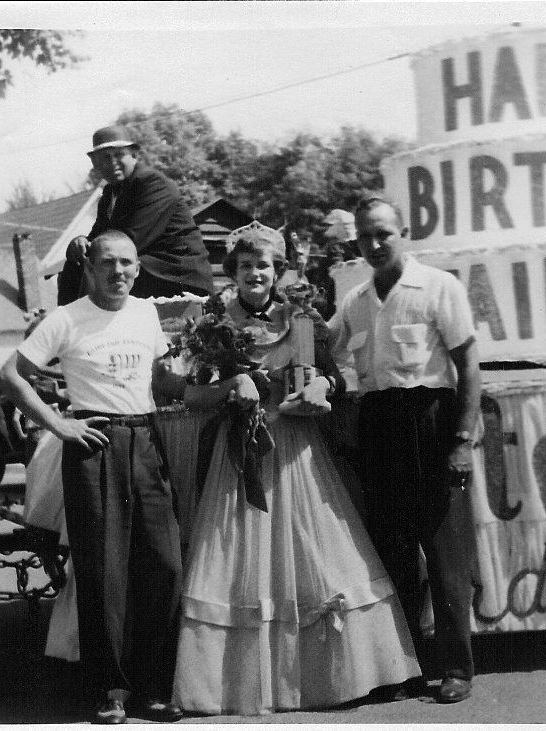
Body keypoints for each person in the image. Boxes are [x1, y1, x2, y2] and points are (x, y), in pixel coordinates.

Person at [172, 223, 421, 716]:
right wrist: (232, 385)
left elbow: (325, 373)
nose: (255, 273)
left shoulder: (300, 319)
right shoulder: (212, 321)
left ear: (278, 270)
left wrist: (321, 387)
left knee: (316, 546)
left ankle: (338, 674)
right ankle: (231, 683)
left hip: (295, 444)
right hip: (241, 449)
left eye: (264, 265)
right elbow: (193, 394)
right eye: (246, 265)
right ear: (233, 272)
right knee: (237, 555)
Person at [0, 230, 188, 725]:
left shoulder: (146, 314)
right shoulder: (66, 318)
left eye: (127, 262)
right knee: (104, 572)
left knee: (164, 565)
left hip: (146, 440)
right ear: (90, 267)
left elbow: (162, 380)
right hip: (94, 445)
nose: (118, 271)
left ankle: (154, 688)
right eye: (107, 262)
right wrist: (59, 425)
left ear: (138, 268)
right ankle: (111, 690)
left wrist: (212, 375)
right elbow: (9, 377)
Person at [330, 196, 482, 704]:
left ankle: (456, 667)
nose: (374, 244)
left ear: (404, 233)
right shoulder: (354, 301)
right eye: (364, 236)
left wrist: (461, 440)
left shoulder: (438, 287)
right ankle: (411, 666)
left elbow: (469, 366)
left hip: (430, 422)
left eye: (383, 234)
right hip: (379, 426)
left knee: (444, 554)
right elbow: (321, 347)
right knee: (393, 552)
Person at [57, 125, 215, 304]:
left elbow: (128, 241)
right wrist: (80, 241)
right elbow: (99, 237)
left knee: (104, 266)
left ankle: (87, 317)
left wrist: (92, 249)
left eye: (119, 155)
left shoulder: (153, 183)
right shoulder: (109, 193)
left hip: (176, 275)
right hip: (147, 268)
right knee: (76, 260)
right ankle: (67, 318)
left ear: (134, 155)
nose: (113, 162)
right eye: (105, 157)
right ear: (95, 163)